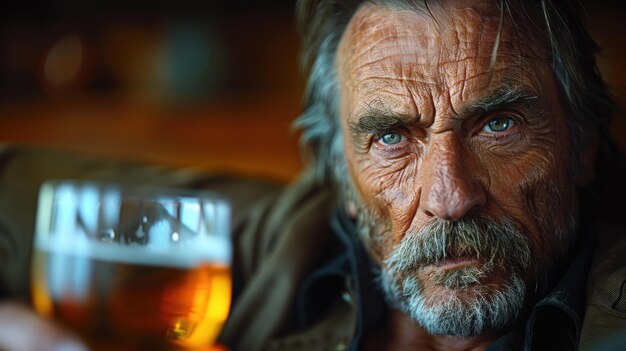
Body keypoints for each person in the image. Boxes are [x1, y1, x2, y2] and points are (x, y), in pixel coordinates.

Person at [0, 0, 624, 350]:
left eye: (499, 126)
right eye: (389, 137)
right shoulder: (271, 242)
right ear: (343, 182)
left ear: (585, 143)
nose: (450, 196)